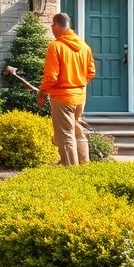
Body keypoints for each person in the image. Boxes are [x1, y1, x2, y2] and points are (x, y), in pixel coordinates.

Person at [37, 12, 96, 165]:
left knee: (65, 136)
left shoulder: (55, 46)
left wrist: (42, 92)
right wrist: (78, 82)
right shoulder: (84, 46)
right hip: (80, 97)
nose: (51, 28)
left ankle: (71, 172)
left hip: (63, 98)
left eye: (52, 25)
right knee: (77, 131)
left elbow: (51, 77)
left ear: (57, 25)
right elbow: (91, 72)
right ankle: (84, 166)